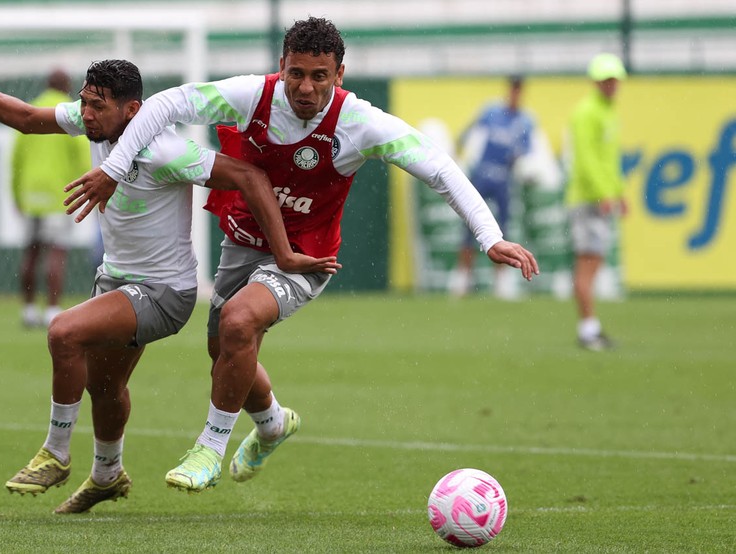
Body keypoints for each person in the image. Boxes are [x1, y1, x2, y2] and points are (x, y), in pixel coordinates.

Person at [67, 17, 539, 493]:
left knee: (237, 323)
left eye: (319, 76)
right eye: (296, 73)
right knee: (223, 351)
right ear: (282, 68)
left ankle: (209, 449)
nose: (306, 87)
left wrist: (489, 237)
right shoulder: (252, 95)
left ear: (339, 75)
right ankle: (272, 424)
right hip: (244, 242)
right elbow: (169, 103)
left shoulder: (361, 124)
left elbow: (439, 168)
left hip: (305, 256)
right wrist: (115, 166)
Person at [0, 40, 338, 514]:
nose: (85, 114)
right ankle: (107, 474)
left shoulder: (164, 149)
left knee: (63, 332)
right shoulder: (96, 127)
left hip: (163, 293)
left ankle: (56, 452)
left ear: (133, 110)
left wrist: (285, 253)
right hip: (117, 283)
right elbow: (26, 117)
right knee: (104, 388)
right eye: (83, 102)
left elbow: (251, 178)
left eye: (96, 106)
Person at [11, 69, 93, 328]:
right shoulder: (68, 114)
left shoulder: (31, 110)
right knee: (56, 253)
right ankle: (52, 309)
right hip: (60, 195)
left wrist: (17, 194)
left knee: (31, 255)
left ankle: (27, 309)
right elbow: (83, 157)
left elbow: (15, 160)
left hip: (30, 195)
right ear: (68, 86)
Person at [448, 74, 536, 299]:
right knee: (470, 224)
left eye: (519, 90)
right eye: (513, 89)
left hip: (503, 181)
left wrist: (522, 166)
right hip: (481, 176)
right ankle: (463, 277)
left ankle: (501, 282)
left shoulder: (525, 121)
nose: (515, 94)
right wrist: (463, 157)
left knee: (501, 229)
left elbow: (525, 153)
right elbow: (467, 135)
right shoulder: (491, 112)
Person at [566, 53, 628, 351]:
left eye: (614, 79)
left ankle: (590, 326)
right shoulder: (586, 112)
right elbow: (587, 159)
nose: (611, 85)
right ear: (596, 81)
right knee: (587, 263)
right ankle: (587, 330)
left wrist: (619, 192)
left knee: (593, 260)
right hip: (587, 199)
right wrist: (605, 193)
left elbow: (610, 160)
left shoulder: (608, 111)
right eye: (606, 80)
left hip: (599, 197)